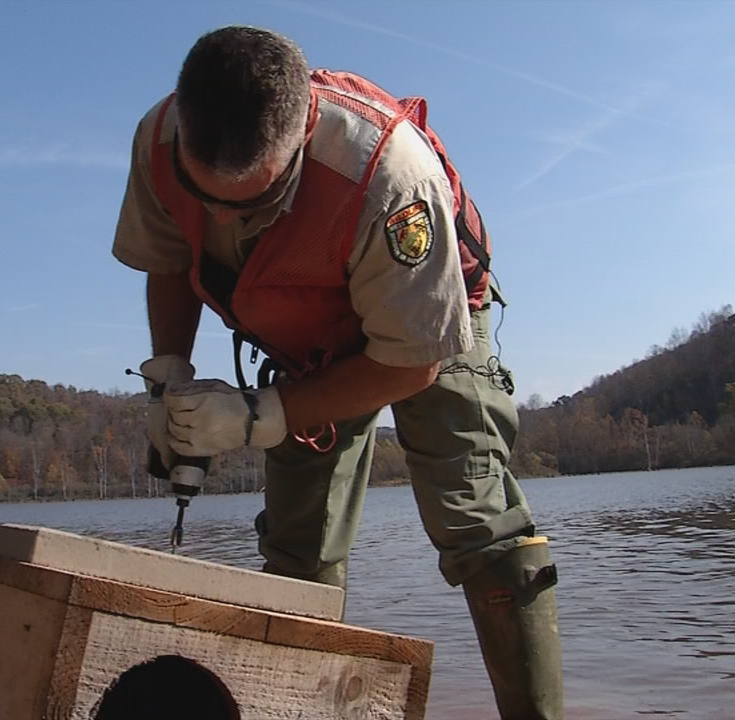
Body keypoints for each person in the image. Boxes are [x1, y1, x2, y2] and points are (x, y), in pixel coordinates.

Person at [111, 25, 563, 720]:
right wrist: (166, 378)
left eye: (251, 203)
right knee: (299, 545)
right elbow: (171, 256)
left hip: (425, 324)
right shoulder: (158, 141)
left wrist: (261, 416)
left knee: (472, 516)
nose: (224, 217)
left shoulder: (390, 178)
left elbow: (412, 362)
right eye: (207, 197)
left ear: (302, 137)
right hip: (309, 340)